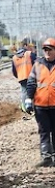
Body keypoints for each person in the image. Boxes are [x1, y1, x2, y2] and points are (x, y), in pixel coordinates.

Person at [26, 37, 55, 167]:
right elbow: (31, 83)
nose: (47, 52)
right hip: (40, 105)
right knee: (44, 132)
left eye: (50, 50)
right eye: (45, 50)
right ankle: (46, 157)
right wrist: (28, 98)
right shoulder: (37, 64)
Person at [12, 45, 36, 110]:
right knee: (33, 90)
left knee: (24, 92)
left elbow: (14, 71)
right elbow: (36, 64)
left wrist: (18, 76)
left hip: (21, 77)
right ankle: (33, 106)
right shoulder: (29, 54)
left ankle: (24, 107)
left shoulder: (14, 58)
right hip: (31, 76)